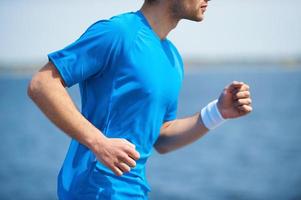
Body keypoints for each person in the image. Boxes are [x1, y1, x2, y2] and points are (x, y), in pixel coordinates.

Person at [27, 0, 253, 199]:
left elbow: (161, 137)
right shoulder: (117, 33)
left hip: (135, 192)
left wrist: (218, 112)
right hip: (94, 189)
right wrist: (98, 142)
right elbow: (42, 84)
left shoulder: (172, 58)